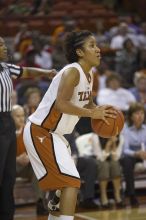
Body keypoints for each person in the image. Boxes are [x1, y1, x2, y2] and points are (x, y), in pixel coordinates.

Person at [23, 30, 117, 220]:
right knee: (72, 181)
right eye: (92, 45)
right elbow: (61, 103)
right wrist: (92, 113)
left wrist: (101, 113)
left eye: (97, 45)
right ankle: (56, 198)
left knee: (68, 183)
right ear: (79, 52)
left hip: (57, 135)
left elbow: (87, 102)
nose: (98, 49)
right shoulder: (72, 71)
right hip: (41, 131)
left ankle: (55, 199)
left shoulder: (88, 74)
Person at [0, 36, 56, 220]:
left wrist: (46, 73)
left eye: (4, 43)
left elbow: (25, 71)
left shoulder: (7, 68)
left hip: (7, 120)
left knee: (8, 176)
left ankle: (7, 215)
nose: (5, 47)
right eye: (0, 45)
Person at [11, 104, 49, 216]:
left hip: (26, 166)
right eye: (17, 116)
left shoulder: (29, 130)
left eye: (22, 115)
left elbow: (38, 148)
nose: (21, 118)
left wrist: (29, 157)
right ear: (11, 117)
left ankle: (40, 202)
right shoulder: (5, 132)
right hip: (11, 165)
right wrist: (15, 159)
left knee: (38, 165)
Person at [121, 102, 146, 207]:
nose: (140, 116)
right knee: (127, 161)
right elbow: (124, 150)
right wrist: (136, 153)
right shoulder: (125, 130)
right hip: (131, 156)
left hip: (143, 155)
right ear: (131, 116)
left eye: (142, 113)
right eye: (137, 113)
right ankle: (131, 195)